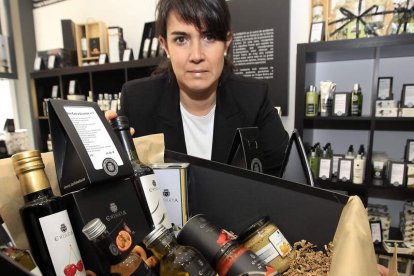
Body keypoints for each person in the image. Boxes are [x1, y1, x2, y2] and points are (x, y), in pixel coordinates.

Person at [106, 0, 289, 176]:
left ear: (227, 43)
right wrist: (103, 155)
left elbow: (284, 176)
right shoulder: (137, 100)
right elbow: (121, 186)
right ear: (165, 46)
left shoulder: (254, 98)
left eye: (209, 37)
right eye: (181, 39)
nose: (196, 55)